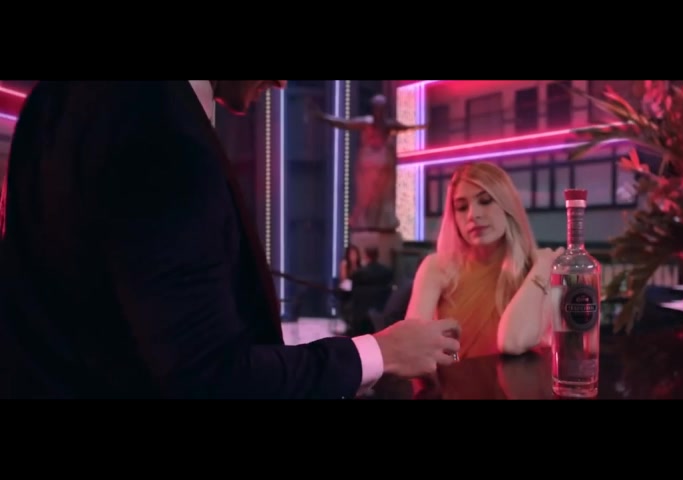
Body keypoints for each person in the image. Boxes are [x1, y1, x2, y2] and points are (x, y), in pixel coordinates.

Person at [0, 80, 459, 399]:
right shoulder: (161, 133)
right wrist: (379, 352)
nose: (281, 82)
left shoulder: (56, 99)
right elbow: (210, 377)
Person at [405, 162, 563, 360]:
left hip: (519, 379)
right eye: (462, 207)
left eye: (486, 201)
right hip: (455, 379)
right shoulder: (437, 267)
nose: (473, 215)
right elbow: (411, 346)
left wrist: (541, 270)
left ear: (507, 206)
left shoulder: (538, 268)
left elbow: (515, 342)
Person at [310, 94, 426, 232]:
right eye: (377, 108)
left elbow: (406, 127)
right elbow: (344, 123)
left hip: (382, 166)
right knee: (366, 196)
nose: (379, 112)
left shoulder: (388, 125)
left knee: (382, 197)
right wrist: (323, 117)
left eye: (382, 109)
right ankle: (365, 221)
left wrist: (422, 126)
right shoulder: (366, 122)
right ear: (373, 109)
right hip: (368, 165)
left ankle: (381, 222)